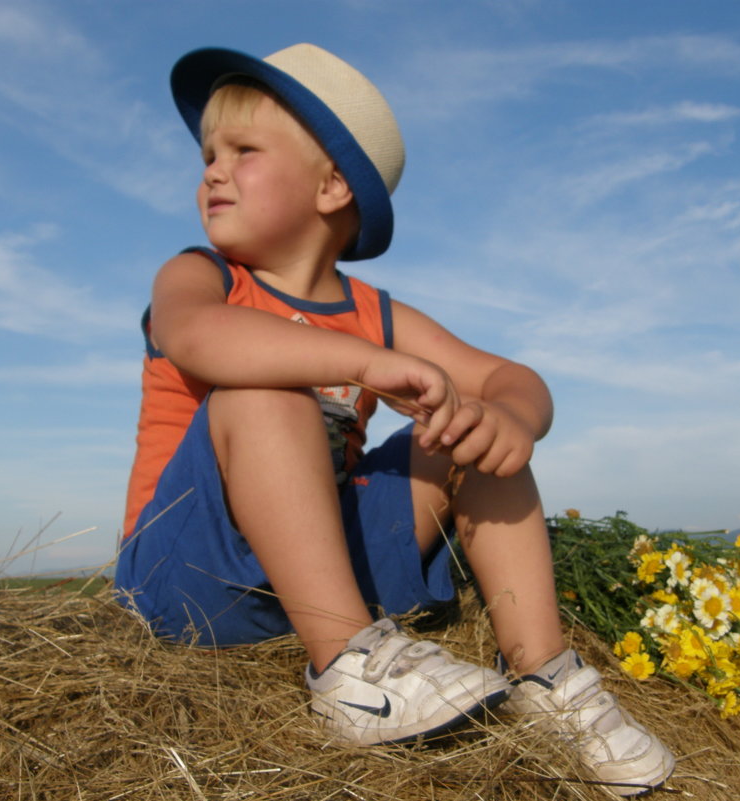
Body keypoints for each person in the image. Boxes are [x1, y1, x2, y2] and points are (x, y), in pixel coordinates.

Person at [115, 43, 674, 795]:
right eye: (208, 153)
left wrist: (512, 416)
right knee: (266, 386)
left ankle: (546, 678)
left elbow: (514, 377)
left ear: (333, 184)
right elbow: (196, 338)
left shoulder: (374, 311)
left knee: (474, 437)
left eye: (242, 150)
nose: (210, 170)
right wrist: (356, 360)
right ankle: (349, 671)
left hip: (320, 567)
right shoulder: (198, 275)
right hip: (186, 574)